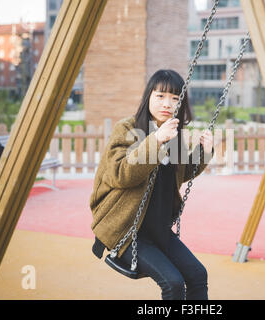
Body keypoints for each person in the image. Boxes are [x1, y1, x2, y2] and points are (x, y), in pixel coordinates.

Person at [90, 69, 214, 300]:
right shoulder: (127, 129)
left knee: (198, 275)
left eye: (175, 98)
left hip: (157, 228)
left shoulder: (175, 134)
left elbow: (180, 174)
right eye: (160, 96)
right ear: (148, 96)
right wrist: (156, 140)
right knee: (173, 284)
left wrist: (204, 153)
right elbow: (120, 174)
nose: (167, 103)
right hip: (126, 230)